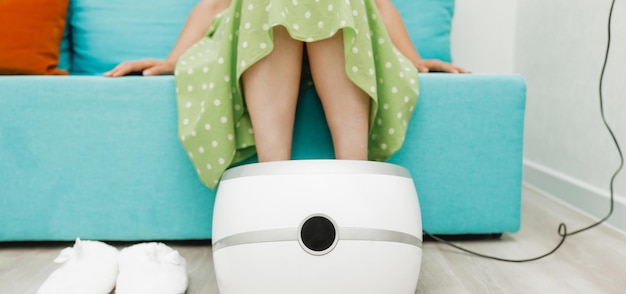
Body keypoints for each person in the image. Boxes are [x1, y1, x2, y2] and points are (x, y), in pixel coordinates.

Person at [105, 0, 467, 189]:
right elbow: (215, 4)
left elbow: (378, 5)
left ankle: (354, 180)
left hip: (343, 41)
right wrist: (172, 60)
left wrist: (415, 59)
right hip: (257, 43)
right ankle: (276, 181)